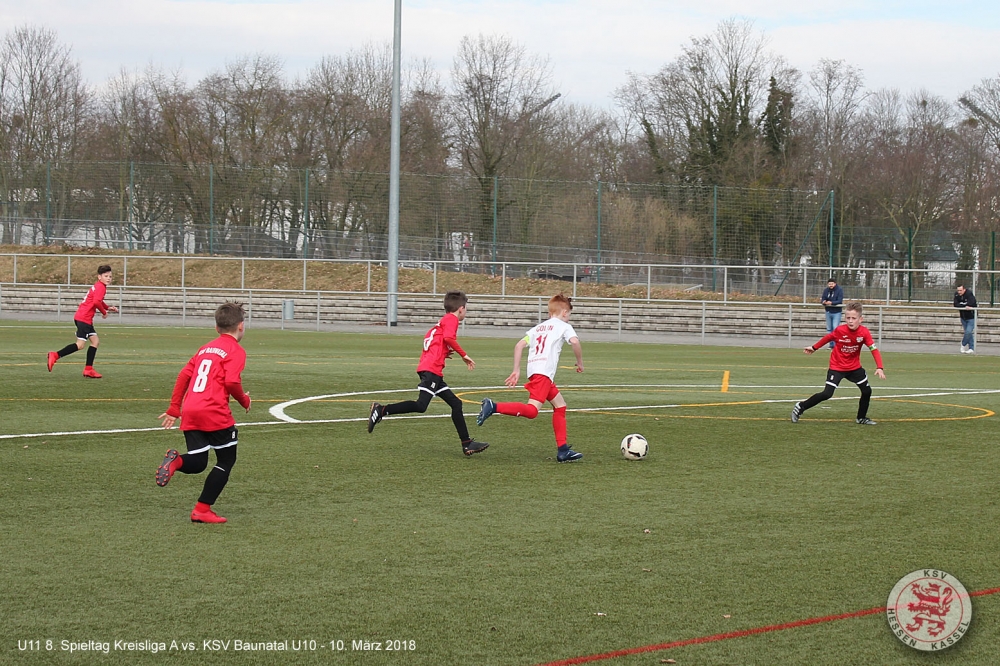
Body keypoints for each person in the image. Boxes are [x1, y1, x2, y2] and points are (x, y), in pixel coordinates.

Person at [155, 302, 252, 524]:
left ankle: (176, 462)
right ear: (241, 326)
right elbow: (232, 381)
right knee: (226, 460)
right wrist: (245, 400)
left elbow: (184, 375)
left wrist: (174, 408)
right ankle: (202, 510)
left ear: (217, 328)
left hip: (191, 409)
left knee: (198, 462)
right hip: (214, 411)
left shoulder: (205, 349)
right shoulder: (236, 350)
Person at [367, 290, 489, 456]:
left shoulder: (442, 321)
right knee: (421, 405)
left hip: (432, 369)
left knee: (456, 404)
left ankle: (467, 444)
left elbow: (435, 341)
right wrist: (464, 355)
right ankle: (381, 410)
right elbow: (449, 338)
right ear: (461, 308)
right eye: (466, 308)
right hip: (431, 370)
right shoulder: (451, 319)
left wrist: (444, 352)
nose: (465, 311)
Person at [476, 294, 585, 462]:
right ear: (564, 312)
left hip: (536, 372)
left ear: (549, 313)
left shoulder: (538, 328)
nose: (569, 318)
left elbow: (519, 345)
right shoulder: (564, 326)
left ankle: (563, 450)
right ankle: (494, 406)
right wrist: (580, 362)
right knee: (532, 411)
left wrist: (516, 370)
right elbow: (575, 342)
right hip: (543, 374)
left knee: (560, 406)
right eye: (569, 314)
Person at [792, 301, 886, 426]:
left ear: (861, 319)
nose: (850, 321)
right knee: (827, 394)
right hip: (837, 367)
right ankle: (801, 406)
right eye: (848, 318)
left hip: (854, 368)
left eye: (854, 318)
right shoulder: (840, 330)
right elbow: (828, 337)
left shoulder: (864, 333)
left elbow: (874, 349)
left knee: (867, 391)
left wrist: (879, 367)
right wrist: (814, 347)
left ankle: (861, 417)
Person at [47, 264, 119, 378]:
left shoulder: (98, 286)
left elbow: (98, 300)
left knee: (95, 341)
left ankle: (88, 369)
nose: (109, 278)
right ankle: (55, 355)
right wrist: (104, 313)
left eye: (110, 276)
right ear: (99, 277)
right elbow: (96, 302)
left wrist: (107, 308)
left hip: (83, 317)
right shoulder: (101, 287)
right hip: (84, 318)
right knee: (80, 345)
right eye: (106, 276)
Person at [820, 278, 844, 350]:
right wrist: (824, 302)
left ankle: (836, 345)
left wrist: (831, 303)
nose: (831, 285)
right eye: (829, 284)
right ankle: (831, 345)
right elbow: (823, 298)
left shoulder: (839, 290)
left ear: (835, 284)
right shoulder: (826, 290)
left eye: (832, 284)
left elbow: (839, 300)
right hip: (828, 311)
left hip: (836, 312)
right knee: (829, 329)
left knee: (835, 328)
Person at [954, 284, 977, 354]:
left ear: (964, 290)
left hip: (971, 317)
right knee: (968, 333)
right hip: (963, 317)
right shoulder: (956, 295)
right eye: (958, 290)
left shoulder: (969, 294)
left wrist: (966, 305)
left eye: (960, 290)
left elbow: (971, 303)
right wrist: (964, 306)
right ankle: (971, 348)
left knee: (968, 332)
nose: (959, 292)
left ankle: (963, 344)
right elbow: (956, 304)